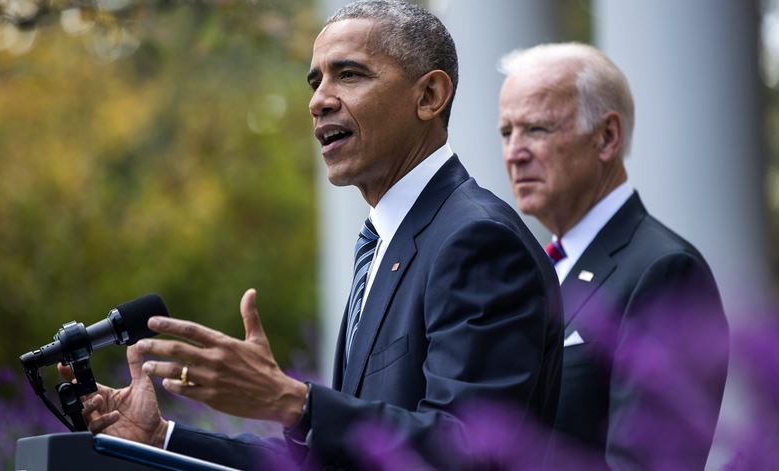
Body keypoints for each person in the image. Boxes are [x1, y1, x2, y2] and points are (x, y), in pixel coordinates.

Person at [63, 2, 564, 470]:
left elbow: (472, 449)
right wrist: (163, 438)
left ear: (429, 96)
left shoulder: (475, 240)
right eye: (314, 81)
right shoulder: (385, 245)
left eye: (349, 74)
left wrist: (294, 403)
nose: (319, 101)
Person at [497, 42, 729, 469]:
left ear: (606, 137)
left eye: (537, 129)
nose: (514, 153)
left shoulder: (665, 270)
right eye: (507, 132)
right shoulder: (532, 268)